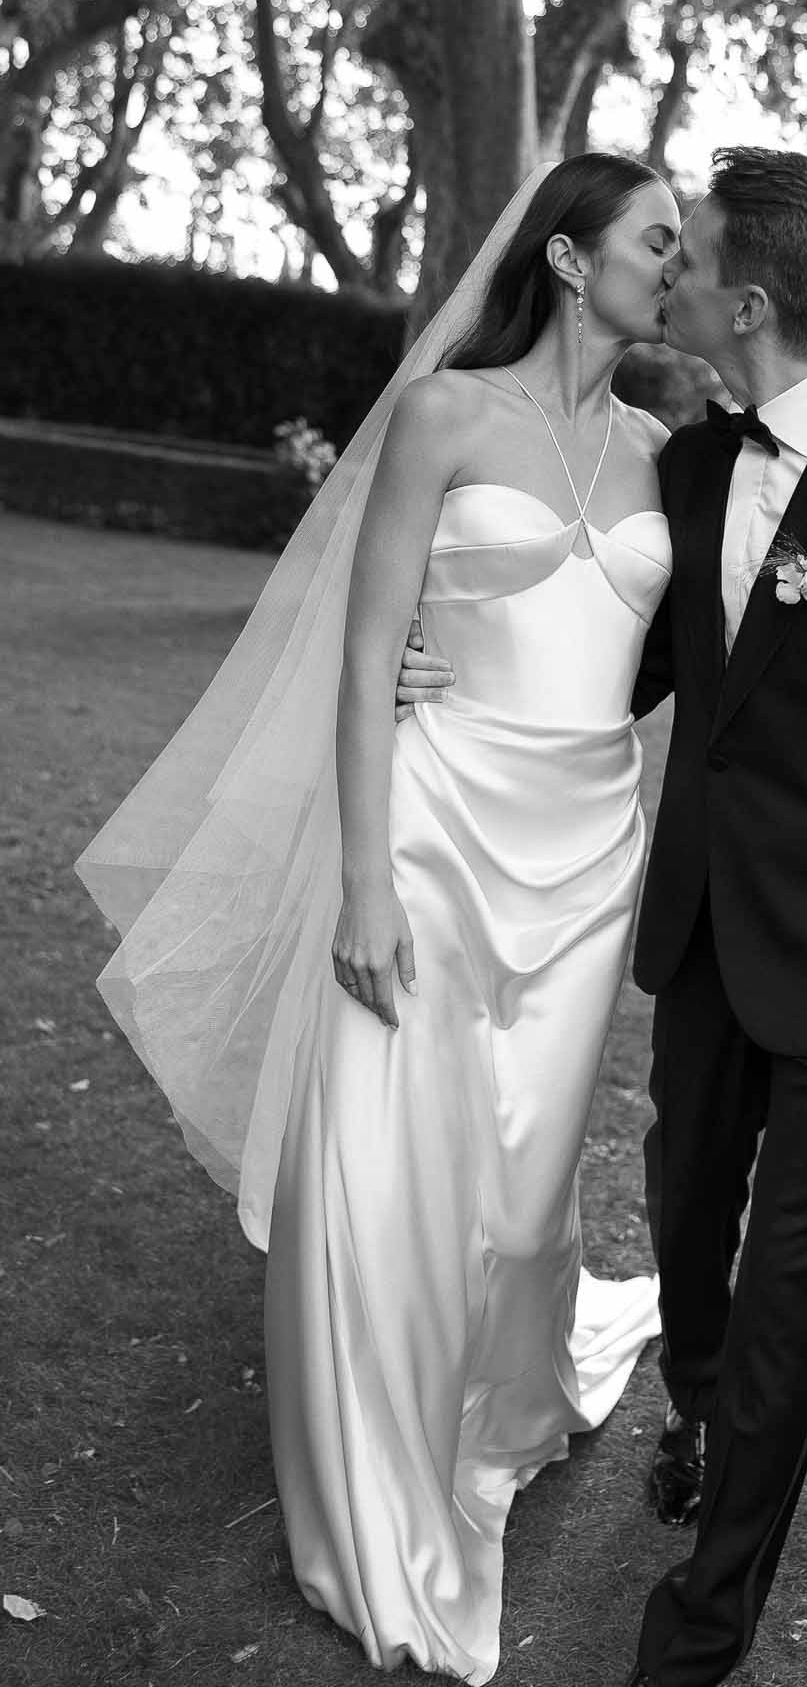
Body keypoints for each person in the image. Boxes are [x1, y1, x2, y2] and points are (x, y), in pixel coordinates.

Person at [398, 146, 807, 1687]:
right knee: (685, 1224)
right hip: (700, 937)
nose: (665, 274)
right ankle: (696, 1410)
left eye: (682, 257)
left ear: (744, 301)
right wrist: (451, 661)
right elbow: (626, 654)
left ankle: (703, 1621)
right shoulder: (686, 468)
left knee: (782, 1287)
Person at [77, 153, 685, 1681]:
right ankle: (375, 1491)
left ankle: (500, 1403)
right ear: (566, 257)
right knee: (386, 1160)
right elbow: (364, 664)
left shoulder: (665, 449)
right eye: (655, 243)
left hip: (592, 849)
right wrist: (359, 877)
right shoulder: (441, 417)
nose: (673, 269)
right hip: (425, 829)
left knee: (527, 1182)